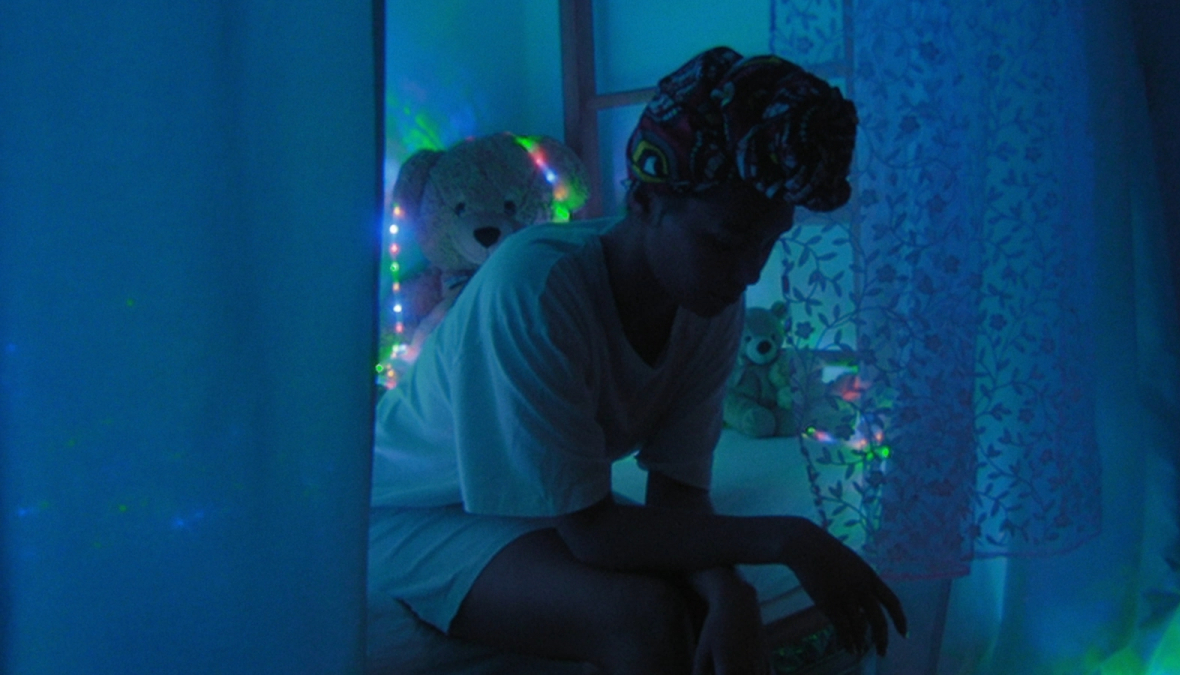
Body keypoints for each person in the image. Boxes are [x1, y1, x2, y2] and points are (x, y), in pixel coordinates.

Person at [368, 47, 907, 674]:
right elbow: (594, 534)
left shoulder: (711, 303)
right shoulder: (534, 290)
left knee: (696, 607)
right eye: (726, 240)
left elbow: (677, 493)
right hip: (416, 511)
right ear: (645, 203)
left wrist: (726, 587)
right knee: (643, 617)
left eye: (768, 242)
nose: (749, 271)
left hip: (537, 502)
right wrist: (788, 539)